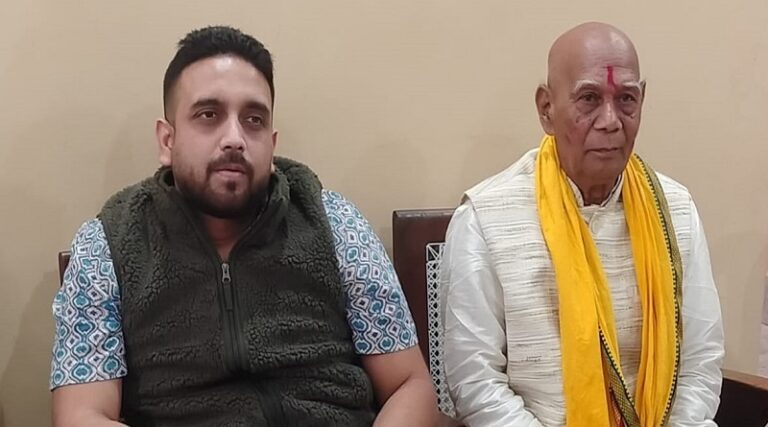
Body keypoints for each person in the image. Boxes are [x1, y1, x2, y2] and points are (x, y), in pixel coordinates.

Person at [50, 25, 437, 427]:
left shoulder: (334, 222)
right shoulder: (109, 244)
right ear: (167, 141)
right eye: (208, 115)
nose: (234, 138)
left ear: (271, 143)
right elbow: (81, 415)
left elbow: (410, 384)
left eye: (253, 120)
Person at [441, 22, 724, 427]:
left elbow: (700, 363)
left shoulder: (675, 211)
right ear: (546, 109)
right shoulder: (484, 218)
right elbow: (476, 383)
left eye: (626, 99)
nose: (610, 121)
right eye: (589, 99)